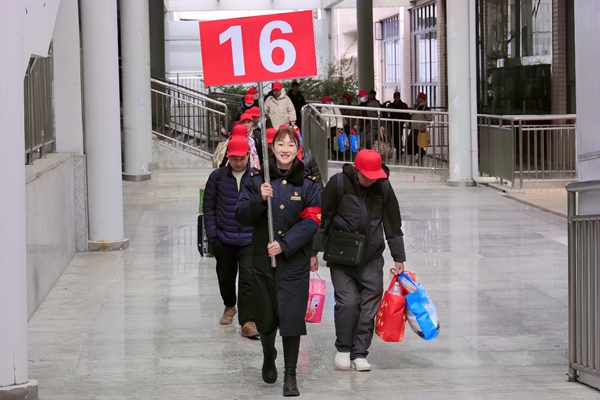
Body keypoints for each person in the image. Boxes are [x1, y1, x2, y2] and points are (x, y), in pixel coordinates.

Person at [236, 127, 321, 397]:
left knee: (292, 319)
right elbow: (241, 215)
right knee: (265, 318)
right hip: (262, 262)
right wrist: (259, 199)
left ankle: (290, 374)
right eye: (280, 144)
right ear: (271, 148)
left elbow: (313, 221)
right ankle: (268, 353)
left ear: (298, 150)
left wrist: (285, 245)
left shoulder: (308, 184)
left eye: (291, 144)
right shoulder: (257, 180)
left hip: (294, 264)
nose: (285, 149)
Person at [311, 149, 406, 372]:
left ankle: (360, 353)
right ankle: (343, 348)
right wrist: (313, 252)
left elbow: (393, 223)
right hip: (341, 255)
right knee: (347, 303)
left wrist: (398, 256)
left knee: (369, 306)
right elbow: (321, 219)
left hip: (372, 256)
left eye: (374, 176)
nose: (370, 180)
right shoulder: (338, 184)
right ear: (356, 169)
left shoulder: (383, 187)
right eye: (366, 176)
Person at [203, 138, 259, 339]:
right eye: (234, 159)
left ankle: (248, 321)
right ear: (228, 157)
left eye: (242, 158)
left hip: (248, 239)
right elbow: (208, 208)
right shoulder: (217, 178)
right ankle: (229, 306)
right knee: (225, 278)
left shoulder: (255, 178)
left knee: (248, 280)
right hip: (224, 239)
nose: (238, 162)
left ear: (248, 156)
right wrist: (213, 237)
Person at [407, 92, 432, 166]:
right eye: (418, 97)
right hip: (414, 128)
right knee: (412, 143)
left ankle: (420, 156)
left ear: (423, 99)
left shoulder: (425, 108)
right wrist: (410, 125)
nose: (418, 99)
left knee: (420, 144)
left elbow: (429, 118)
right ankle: (415, 156)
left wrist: (423, 125)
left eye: (419, 98)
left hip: (420, 129)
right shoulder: (415, 106)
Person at [384, 92, 410, 159]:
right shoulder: (391, 105)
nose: (397, 98)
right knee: (392, 138)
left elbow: (408, 115)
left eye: (398, 97)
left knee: (398, 138)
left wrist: (409, 123)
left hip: (399, 124)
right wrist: (385, 103)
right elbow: (384, 111)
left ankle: (399, 152)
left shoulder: (403, 105)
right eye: (395, 97)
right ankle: (396, 152)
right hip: (392, 124)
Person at [320, 95, 346, 160]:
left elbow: (339, 117)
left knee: (337, 142)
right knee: (330, 143)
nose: (329, 102)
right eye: (327, 101)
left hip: (335, 127)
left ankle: (340, 157)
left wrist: (339, 127)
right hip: (328, 128)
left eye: (329, 101)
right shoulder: (322, 109)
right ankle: (336, 156)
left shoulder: (334, 107)